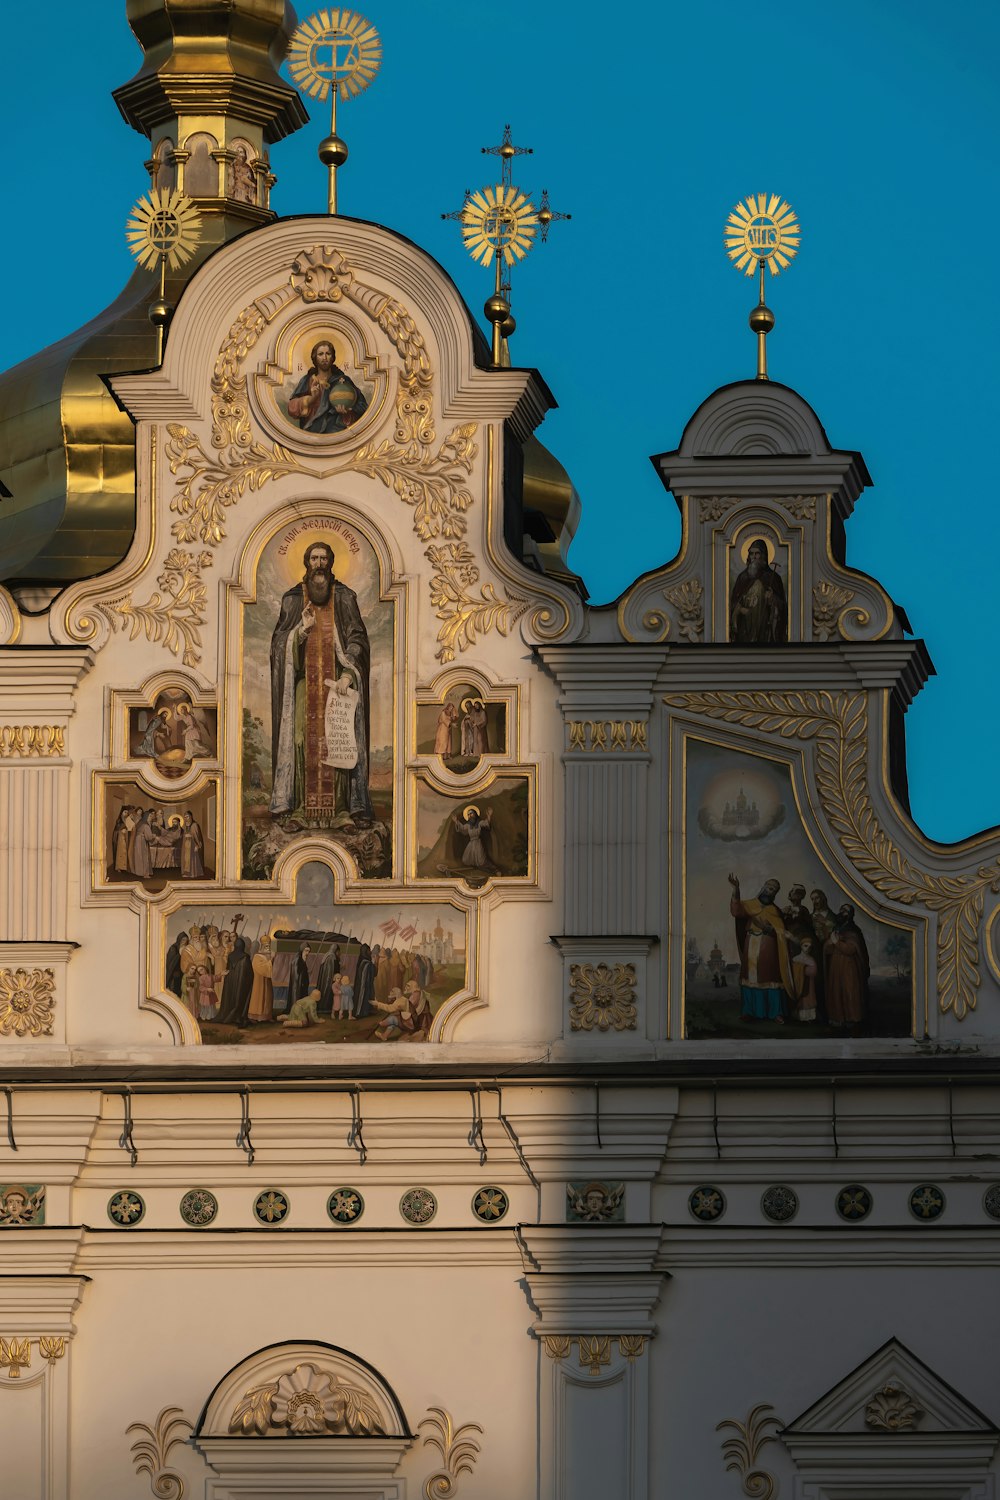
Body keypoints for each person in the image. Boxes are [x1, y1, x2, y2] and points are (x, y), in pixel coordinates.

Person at [270, 542, 373, 828]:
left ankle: (341, 810)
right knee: (302, 741)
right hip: (305, 686)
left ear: (331, 563)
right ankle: (301, 810)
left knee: (336, 741)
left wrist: (348, 675)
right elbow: (278, 646)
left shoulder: (344, 597)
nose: (319, 564)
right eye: (314, 558)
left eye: (324, 558)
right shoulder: (292, 600)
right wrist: (300, 631)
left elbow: (357, 639)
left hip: (338, 686)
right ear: (306, 562)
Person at [728, 873, 795, 1022]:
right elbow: (736, 911)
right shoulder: (750, 905)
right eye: (769, 887)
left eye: (774, 889)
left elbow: (780, 930)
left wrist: (771, 929)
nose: (770, 890)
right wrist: (736, 889)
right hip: (751, 943)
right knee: (749, 978)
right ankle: (749, 1011)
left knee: (770, 977)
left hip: (768, 946)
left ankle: (775, 1012)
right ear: (763, 887)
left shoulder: (774, 911)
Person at [286, 340, 367, 434]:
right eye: (320, 354)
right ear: (315, 357)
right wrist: (311, 399)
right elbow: (292, 408)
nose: (324, 358)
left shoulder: (342, 380)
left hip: (337, 432)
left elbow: (363, 407)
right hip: (311, 433)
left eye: (328, 354)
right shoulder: (307, 380)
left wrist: (348, 411)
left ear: (332, 357)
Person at [730, 539, 787, 644]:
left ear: (764, 555)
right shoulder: (742, 578)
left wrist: (773, 599)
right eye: (751, 553)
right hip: (745, 631)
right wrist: (740, 609)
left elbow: (783, 608)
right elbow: (733, 603)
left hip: (765, 631)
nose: (754, 557)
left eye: (757, 553)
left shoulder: (773, 578)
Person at [824, 904, 870, 1030]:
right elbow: (828, 948)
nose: (841, 912)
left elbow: (850, 949)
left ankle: (852, 1018)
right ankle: (837, 1018)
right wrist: (829, 944)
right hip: (836, 966)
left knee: (849, 991)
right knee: (836, 991)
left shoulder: (853, 930)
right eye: (841, 909)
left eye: (845, 911)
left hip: (849, 967)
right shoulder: (836, 928)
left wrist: (836, 942)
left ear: (850, 915)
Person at [453, 805, 495, 870]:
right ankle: (475, 867)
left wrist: (489, 816)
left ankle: (490, 868)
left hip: (478, 843)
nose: (470, 815)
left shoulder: (479, 823)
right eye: (468, 814)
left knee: (481, 861)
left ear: (475, 814)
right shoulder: (468, 825)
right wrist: (456, 821)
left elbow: (486, 824)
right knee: (465, 860)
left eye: (471, 813)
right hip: (471, 844)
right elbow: (462, 828)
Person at [247, 935, 274, 1024]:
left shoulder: (267, 956)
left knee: (268, 997)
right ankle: (255, 1016)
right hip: (259, 982)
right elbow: (260, 968)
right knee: (259, 998)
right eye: (266, 946)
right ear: (262, 947)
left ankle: (267, 1016)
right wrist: (271, 961)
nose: (268, 948)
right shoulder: (257, 956)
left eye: (269, 946)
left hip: (267, 981)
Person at [792, 938, 819, 1022]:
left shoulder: (811, 959)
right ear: (801, 946)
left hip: (809, 985)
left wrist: (803, 969)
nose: (807, 948)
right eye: (805, 946)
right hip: (798, 984)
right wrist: (802, 969)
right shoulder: (796, 958)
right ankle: (799, 1017)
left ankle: (809, 1018)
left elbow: (814, 972)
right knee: (800, 1000)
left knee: (808, 999)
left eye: (809, 947)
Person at [179, 811, 205, 879]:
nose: (186, 818)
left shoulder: (194, 825)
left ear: (191, 816)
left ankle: (192, 873)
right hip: (186, 845)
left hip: (192, 845)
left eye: (187, 816)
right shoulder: (186, 825)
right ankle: (186, 873)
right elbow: (185, 834)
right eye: (185, 817)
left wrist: (197, 845)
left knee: (192, 859)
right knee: (186, 859)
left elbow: (197, 836)